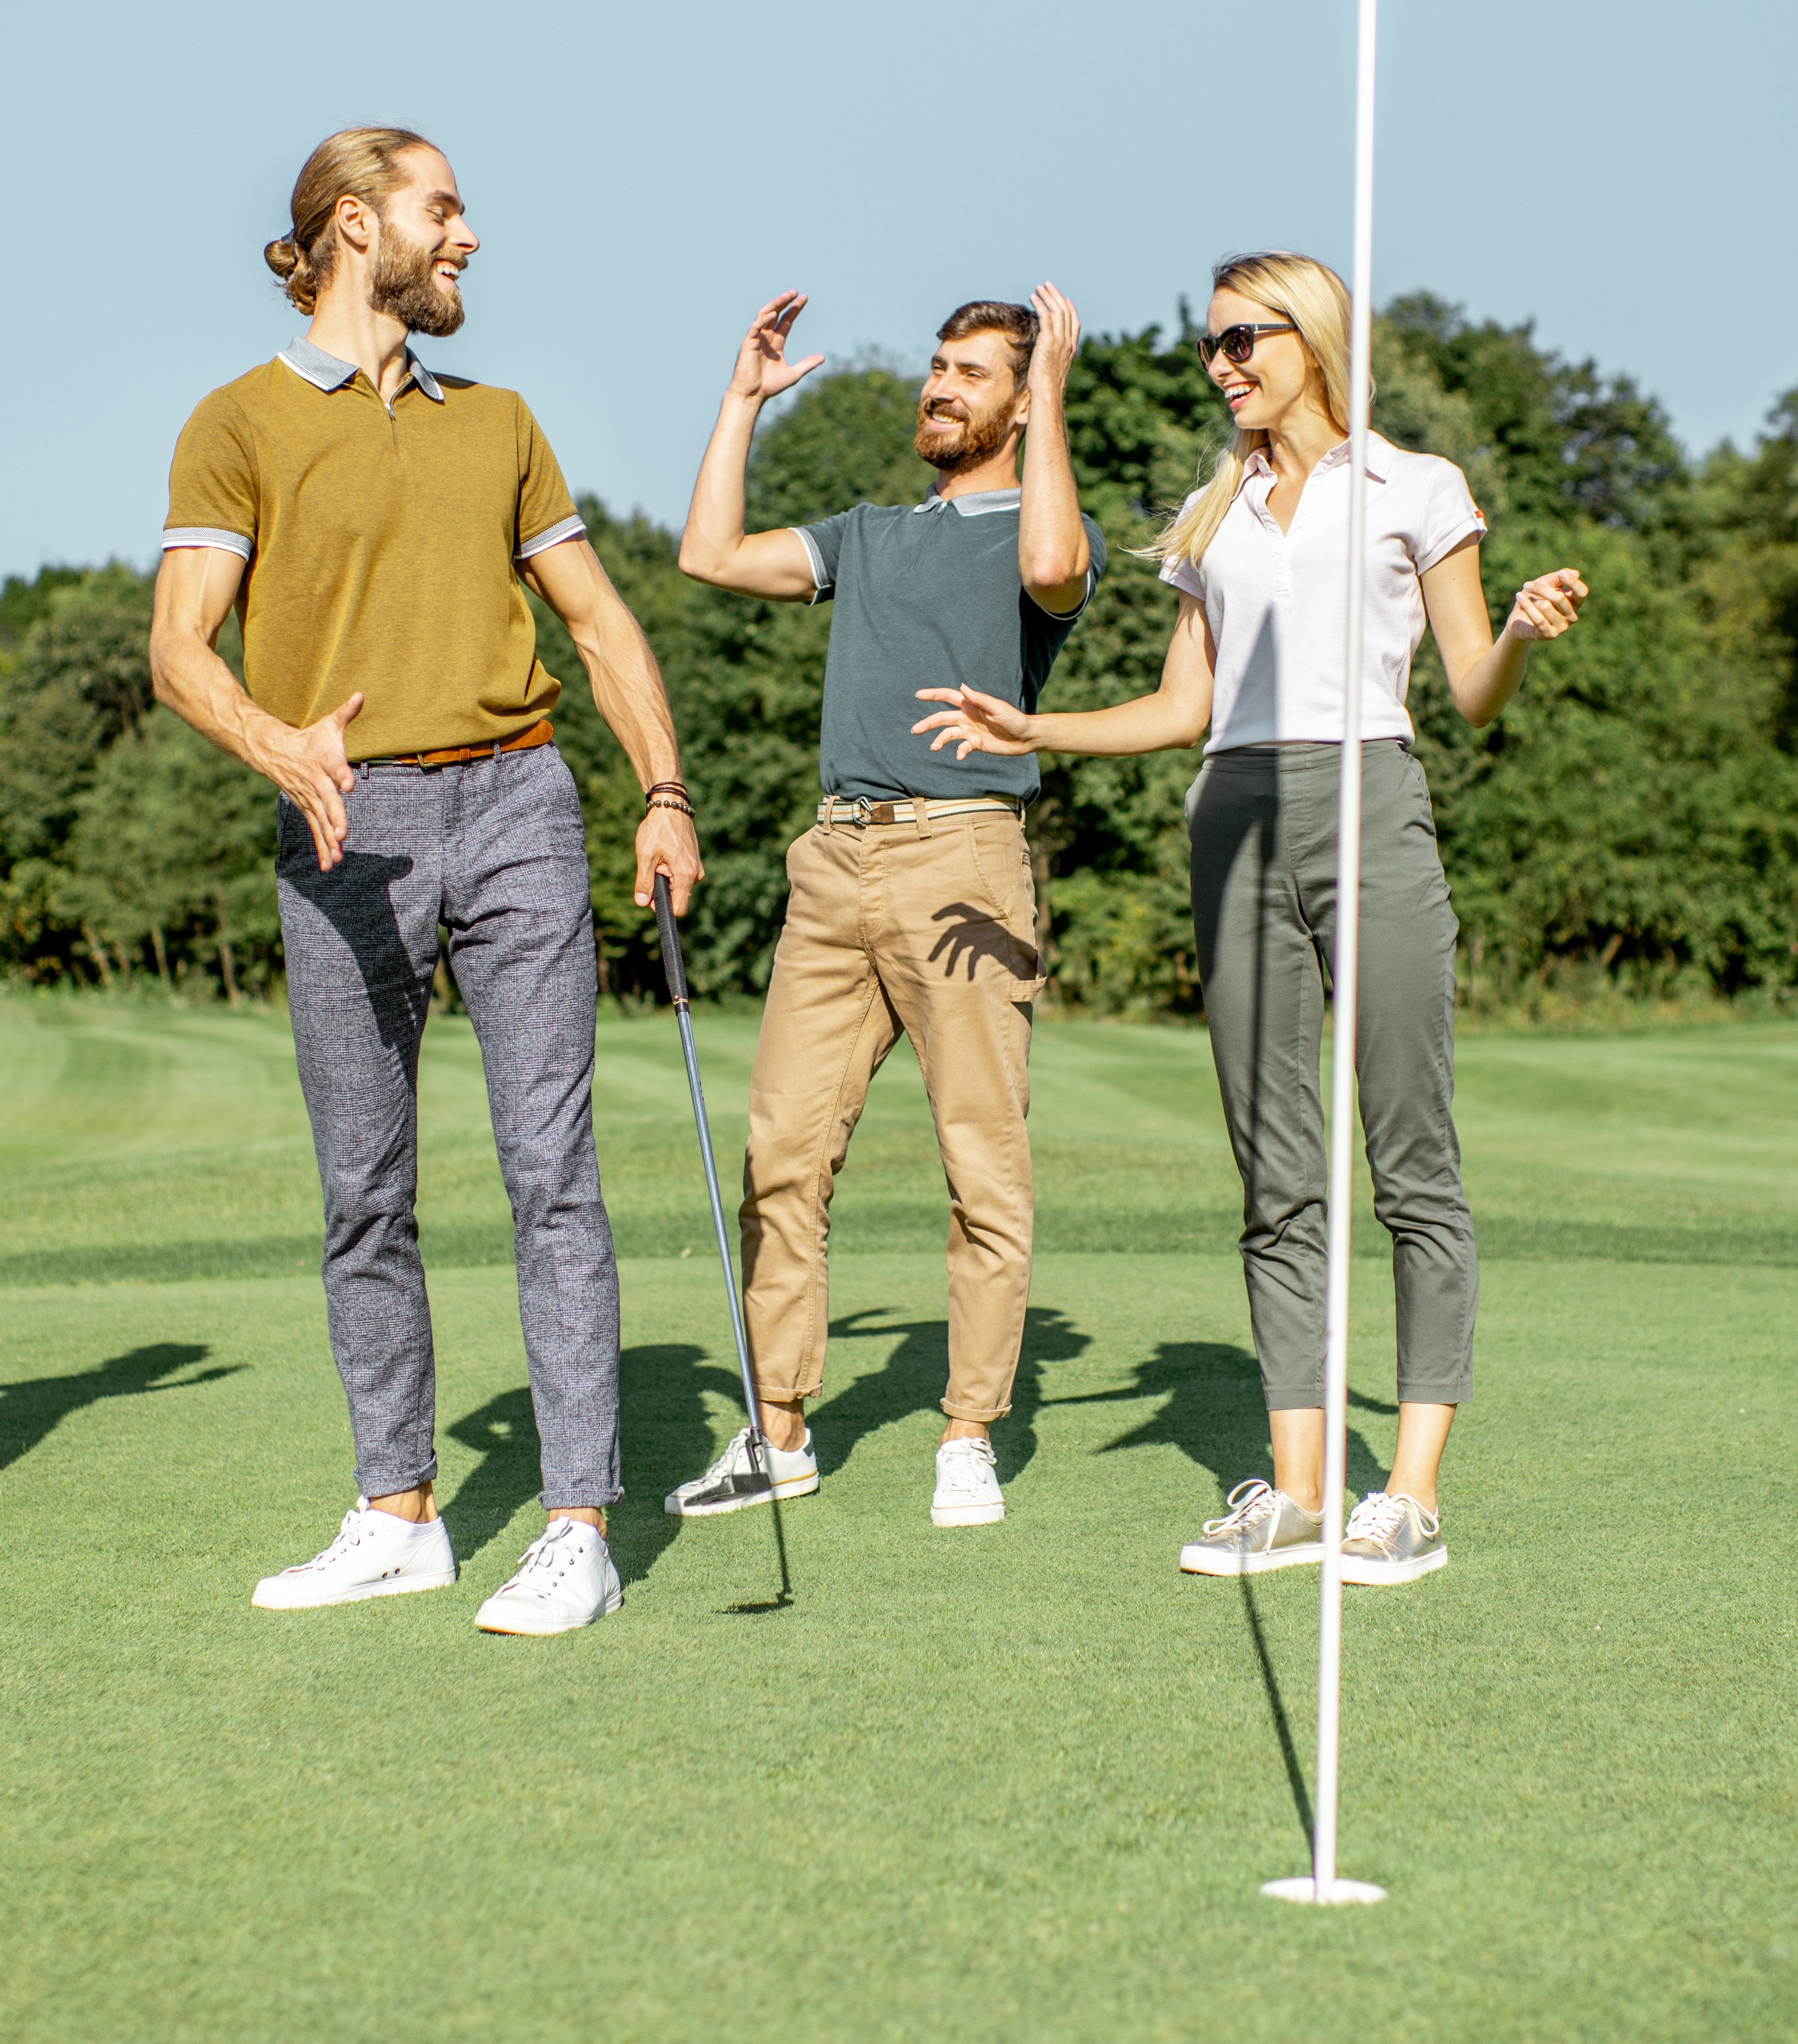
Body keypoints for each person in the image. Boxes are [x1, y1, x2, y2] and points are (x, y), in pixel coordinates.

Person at [918, 251, 1586, 1584]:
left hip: (1367, 799)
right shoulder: (1212, 507)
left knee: (1409, 1155)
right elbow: (1183, 708)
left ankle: (1404, 1493)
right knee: (1274, 1169)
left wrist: (1514, 629)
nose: (1222, 363)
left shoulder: (1416, 488)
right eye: (1211, 345)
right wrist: (1028, 725)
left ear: (1313, 338)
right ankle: (1291, 1491)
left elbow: (1469, 692)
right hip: (1231, 813)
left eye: (1242, 339)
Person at [151, 124, 702, 1637]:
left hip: (519, 799)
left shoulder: (503, 421)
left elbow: (595, 624)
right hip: (344, 819)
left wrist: (660, 789)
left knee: (550, 1174)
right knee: (363, 1193)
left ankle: (578, 1523)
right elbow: (176, 645)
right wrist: (279, 745)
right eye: (441, 210)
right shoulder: (237, 422)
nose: (465, 237)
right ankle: (398, 1510)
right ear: (350, 224)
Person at [665, 286, 1101, 1529]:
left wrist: (1055, 392)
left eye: (973, 373)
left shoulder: (1043, 529)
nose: (940, 387)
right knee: (781, 1155)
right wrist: (740, 402)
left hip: (966, 859)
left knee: (981, 1160)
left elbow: (1056, 568)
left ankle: (968, 1433)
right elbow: (708, 556)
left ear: (1021, 401)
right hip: (834, 859)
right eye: (938, 368)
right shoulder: (866, 533)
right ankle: (781, 1430)